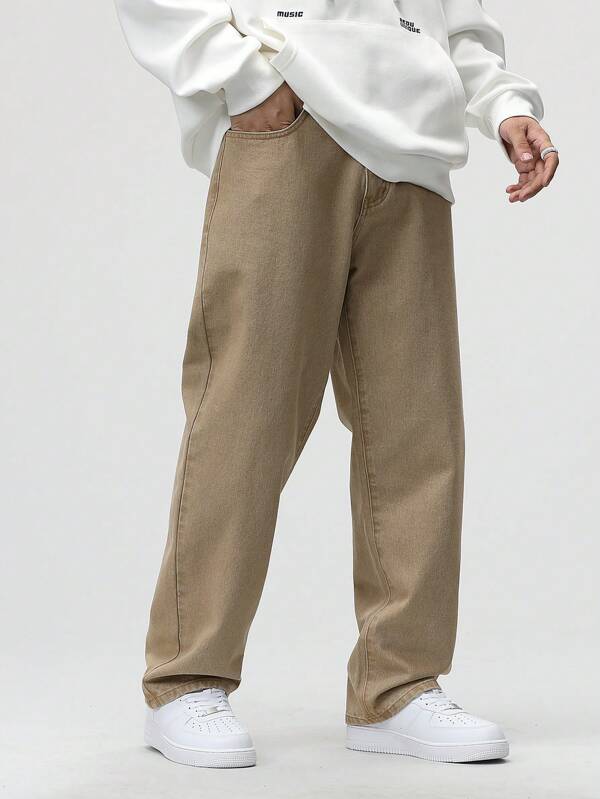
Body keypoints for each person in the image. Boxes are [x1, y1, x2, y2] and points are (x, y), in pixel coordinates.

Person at [115, 0, 559, 768]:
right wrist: (244, 78)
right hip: (290, 118)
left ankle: (397, 686)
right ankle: (186, 677)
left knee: (418, 428)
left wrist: (504, 104)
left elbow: (456, 21)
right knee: (246, 412)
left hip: (412, 149)